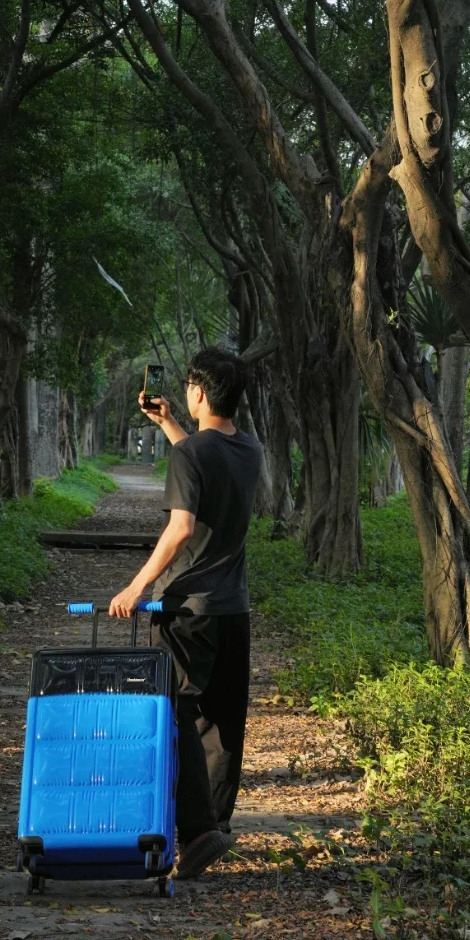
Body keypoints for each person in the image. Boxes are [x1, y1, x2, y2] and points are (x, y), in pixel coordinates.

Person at [109, 347, 263, 881]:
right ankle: (213, 831)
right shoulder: (250, 449)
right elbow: (206, 463)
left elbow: (179, 528)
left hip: (188, 611)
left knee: (174, 714)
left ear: (199, 391)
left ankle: (195, 832)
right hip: (232, 611)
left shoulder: (189, 455)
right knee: (221, 722)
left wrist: (136, 584)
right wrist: (172, 423)